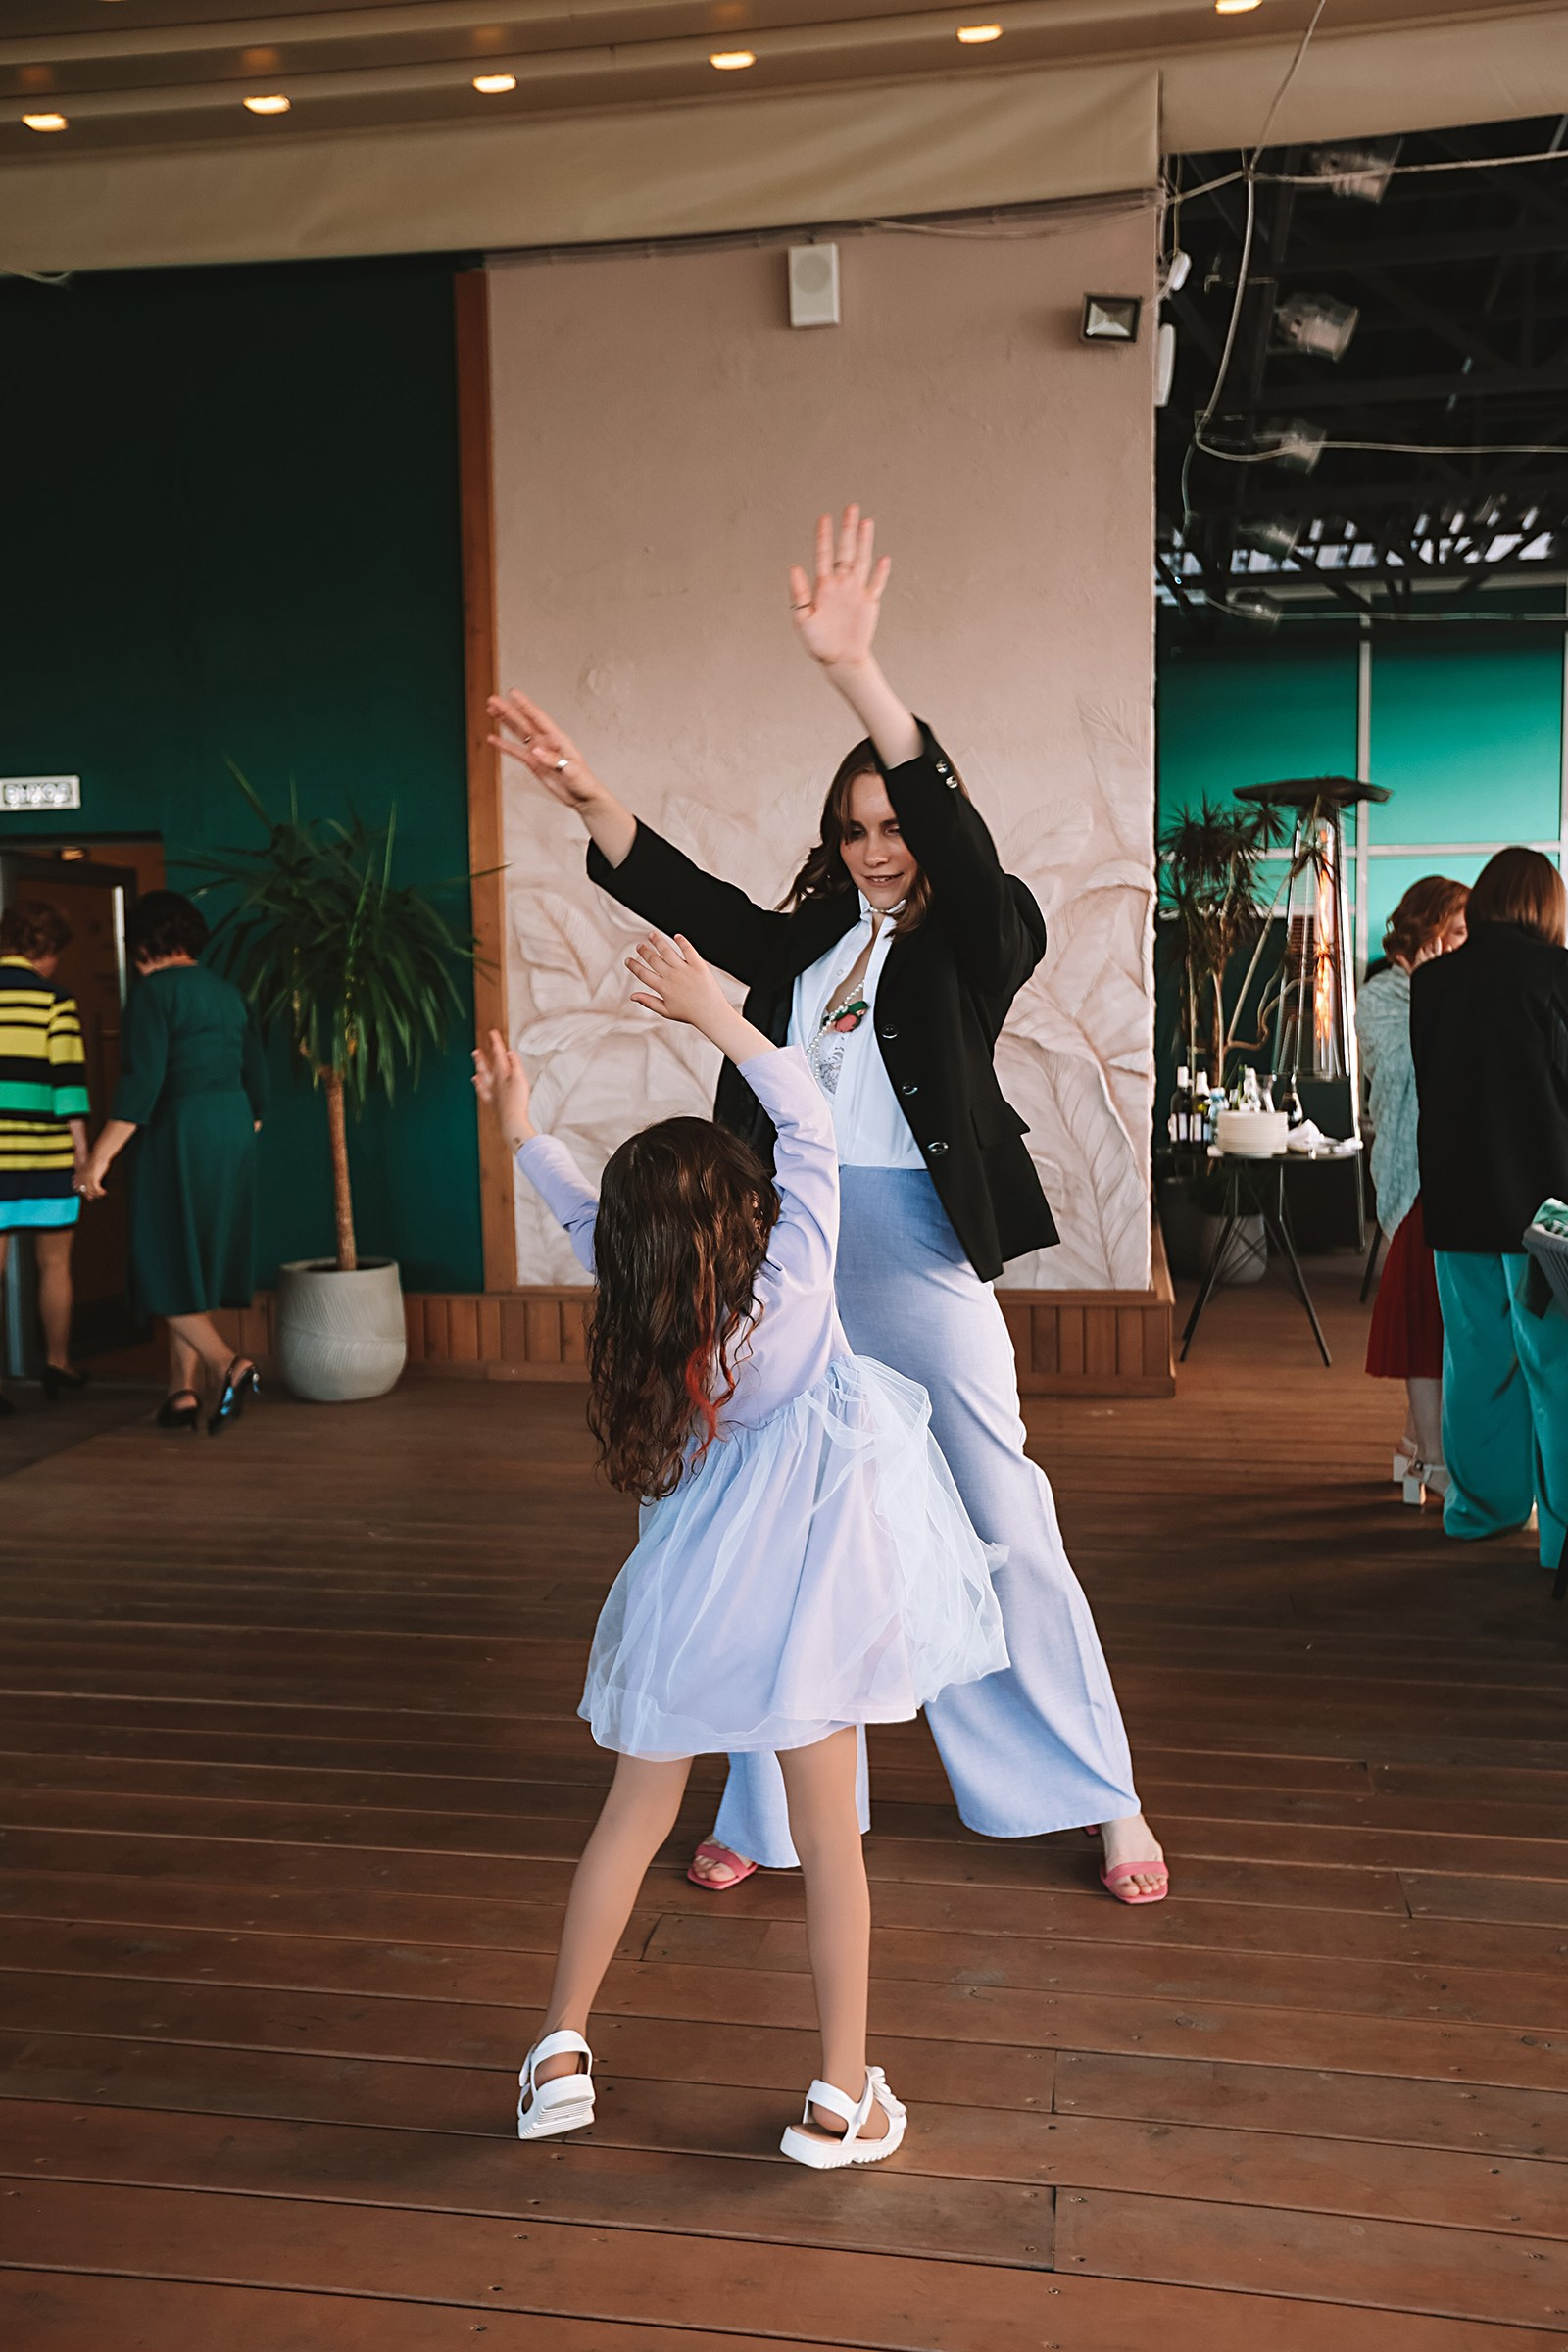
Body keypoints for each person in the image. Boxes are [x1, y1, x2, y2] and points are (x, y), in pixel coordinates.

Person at [487, 503, 1166, 1906]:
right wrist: (588, 797)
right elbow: (689, 897)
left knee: (1001, 1515)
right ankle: (769, 1808)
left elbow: (958, 849)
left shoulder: (981, 936)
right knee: (767, 1521)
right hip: (781, 1256)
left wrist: (859, 675)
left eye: (894, 824)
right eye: (853, 830)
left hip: (914, 1252)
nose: (874, 849)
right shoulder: (807, 943)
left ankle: (1097, 1795)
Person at [474, 929, 1006, 2167]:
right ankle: (838, 2097)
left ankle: (557, 2053)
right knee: (830, 1850)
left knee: (631, 1816)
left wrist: (519, 1125)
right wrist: (712, 1012)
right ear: (745, 1215)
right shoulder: (797, 1282)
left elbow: (582, 1211)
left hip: (693, 1599)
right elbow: (807, 1118)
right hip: (814, 1610)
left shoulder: (645, 1300)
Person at [1409, 847, 1568, 1572]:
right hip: (1547, 1213)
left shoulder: (1433, 983)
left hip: (1459, 1203)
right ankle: (1559, 1539)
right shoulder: (1558, 975)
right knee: (1556, 1370)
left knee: (1475, 1364)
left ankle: (1481, 1512)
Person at [76, 890, 268, 1435]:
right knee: (193, 1260)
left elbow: (143, 1084)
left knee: (157, 1261)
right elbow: (258, 1081)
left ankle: (227, 1365)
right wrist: (233, 1128)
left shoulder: (153, 994)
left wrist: (97, 1159)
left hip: (177, 1128)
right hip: (231, 1127)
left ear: (142, 943)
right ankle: (180, 1392)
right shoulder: (228, 994)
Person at [1355, 876, 1469, 1505]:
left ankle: (1411, 1445)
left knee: (1441, 1314)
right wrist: (1432, 990)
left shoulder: (1452, 988)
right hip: (1415, 1171)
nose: (1466, 944)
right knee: (1426, 1317)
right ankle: (1433, 1458)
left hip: (1453, 1167)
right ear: (1426, 931)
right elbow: (1404, 1070)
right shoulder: (1382, 993)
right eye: (1457, 932)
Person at [0, 901, 92, 1414]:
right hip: (45, 1154)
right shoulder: (55, 1001)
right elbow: (68, 1084)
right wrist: (84, 1156)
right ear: (48, 950)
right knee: (55, 1262)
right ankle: (58, 1362)